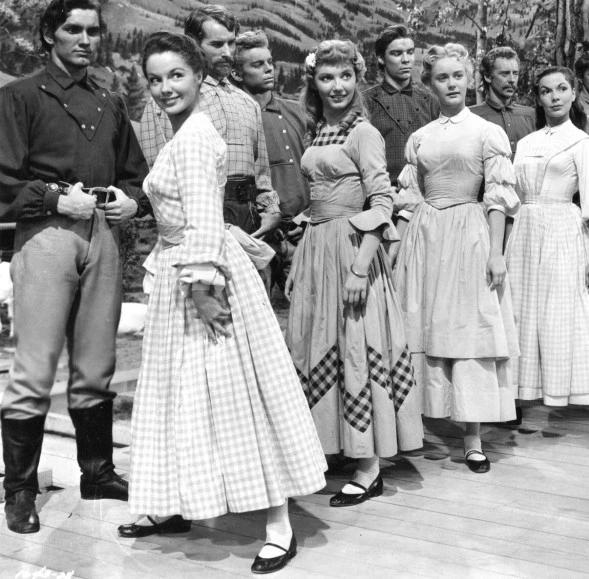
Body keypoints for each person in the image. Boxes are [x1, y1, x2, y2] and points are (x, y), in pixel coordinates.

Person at [121, 32, 326, 575]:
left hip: (202, 274)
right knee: (179, 393)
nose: (166, 88)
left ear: (197, 76)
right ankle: (171, 501)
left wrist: (203, 289)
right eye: (156, 79)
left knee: (237, 396)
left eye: (176, 75)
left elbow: (204, 220)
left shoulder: (193, 138)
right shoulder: (184, 133)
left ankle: (279, 525)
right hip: (183, 270)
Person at [0, 0, 149, 534]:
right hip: (47, 236)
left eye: (93, 31)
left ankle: (97, 473)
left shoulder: (110, 102)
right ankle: (20, 490)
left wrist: (133, 200)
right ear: (49, 35)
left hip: (102, 235)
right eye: (73, 30)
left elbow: (134, 173)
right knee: (35, 365)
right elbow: (3, 179)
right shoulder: (19, 96)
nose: (86, 40)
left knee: (95, 362)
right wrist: (55, 199)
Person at [286, 40, 423, 506]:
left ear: (357, 79)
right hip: (318, 251)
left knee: (358, 347)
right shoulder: (320, 131)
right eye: (327, 77)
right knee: (321, 345)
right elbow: (319, 198)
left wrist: (361, 268)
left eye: (345, 76)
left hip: (352, 249)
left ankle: (369, 467)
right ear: (314, 83)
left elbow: (382, 201)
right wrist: (302, 241)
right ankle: (336, 448)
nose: (337, 86)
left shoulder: (364, 133)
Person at [392, 44, 520, 473]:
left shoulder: (486, 132)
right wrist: (396, 252)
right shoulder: (421, 137)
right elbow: (409, 200)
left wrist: (497, 253)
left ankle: (472, 437)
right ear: (430, 84)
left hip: (469, 234)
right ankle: (416, 427)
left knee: (468, 329)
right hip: (425, 237)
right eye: (442, 77)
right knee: (422, 324)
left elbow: (498, 197)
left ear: (469, 80)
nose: (451, 84)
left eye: (458, 76)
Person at [505, 66, 589, 448]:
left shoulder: (581, 142)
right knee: (523, 315)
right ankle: (516, 398)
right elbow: (513, 198)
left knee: (580, 318)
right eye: (546, 91)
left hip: (564, 231)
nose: (555, 96)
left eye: (562, 89)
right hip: (525, 234)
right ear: (538, 98)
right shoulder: (526, 143)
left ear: (574, 93)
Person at [139, 5, 281, 239]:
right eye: (216, 44)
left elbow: (261, 173)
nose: (227, 52)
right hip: (196, 221)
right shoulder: (168, 103)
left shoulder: (248, 104)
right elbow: (157, 182)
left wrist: (270, 210)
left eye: (231, 43)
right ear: (194, 44)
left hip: (249, 219)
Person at [232, 30, 310, 294]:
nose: (268, 69)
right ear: (236, 74)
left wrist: (308, 219)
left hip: (302, 234)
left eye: (269, 62)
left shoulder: (297, 112)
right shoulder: (233, 118)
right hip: (257, 238)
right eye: (257, 64)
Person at [363, 25, 439, 185]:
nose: (406, 59)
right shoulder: (367, 102)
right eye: (397, 53)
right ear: (381, 58)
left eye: (410, 52)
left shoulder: (430, 101)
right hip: (380, 193)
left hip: (424, 192)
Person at [470, 46, 536, 159]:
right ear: (487, 76)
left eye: (515, 73)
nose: (512, 80)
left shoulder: (531, 116)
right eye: (504, 74)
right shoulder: (471, 116)